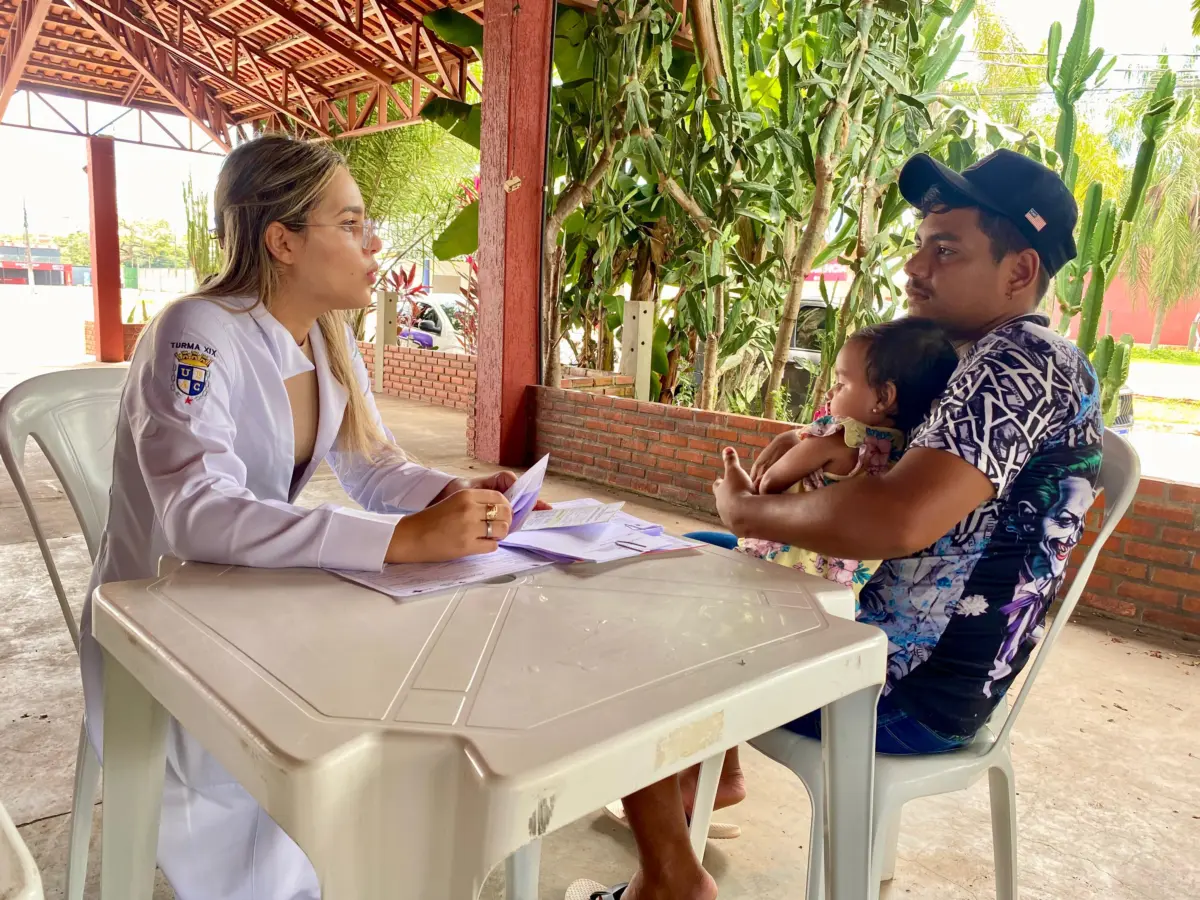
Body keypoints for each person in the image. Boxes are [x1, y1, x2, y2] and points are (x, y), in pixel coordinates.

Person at [572, 148, 1104, 900]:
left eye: (945, 250)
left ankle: (669, 880)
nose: (916, 268)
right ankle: (707, 777)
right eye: (920, 243)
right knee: (676, 564)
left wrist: (752, 510)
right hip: (858, 623)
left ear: (1019, 273)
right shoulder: (938, 354)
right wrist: (775, 492)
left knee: (642, 637)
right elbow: (824, 440)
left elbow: (894, 518)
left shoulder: (1023, 356)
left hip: (906, 687)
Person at [79, 134, 541, 900]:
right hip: (163, 629)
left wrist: (448, 498)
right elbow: (196, 513)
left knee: (424, 699)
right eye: (352, 223)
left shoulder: (327, 338)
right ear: (283, 241)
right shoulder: (195, 334)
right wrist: (396, 543)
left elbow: (373, 466)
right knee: (334, 760)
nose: (373, 242)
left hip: (256, 603)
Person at [739, 318, 959, 594]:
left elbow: (769, 481)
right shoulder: (906, 451)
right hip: (832, 591)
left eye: (841, 383)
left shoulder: (838, 437)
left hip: (776, 568)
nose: (831, 392)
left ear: (883, 398)